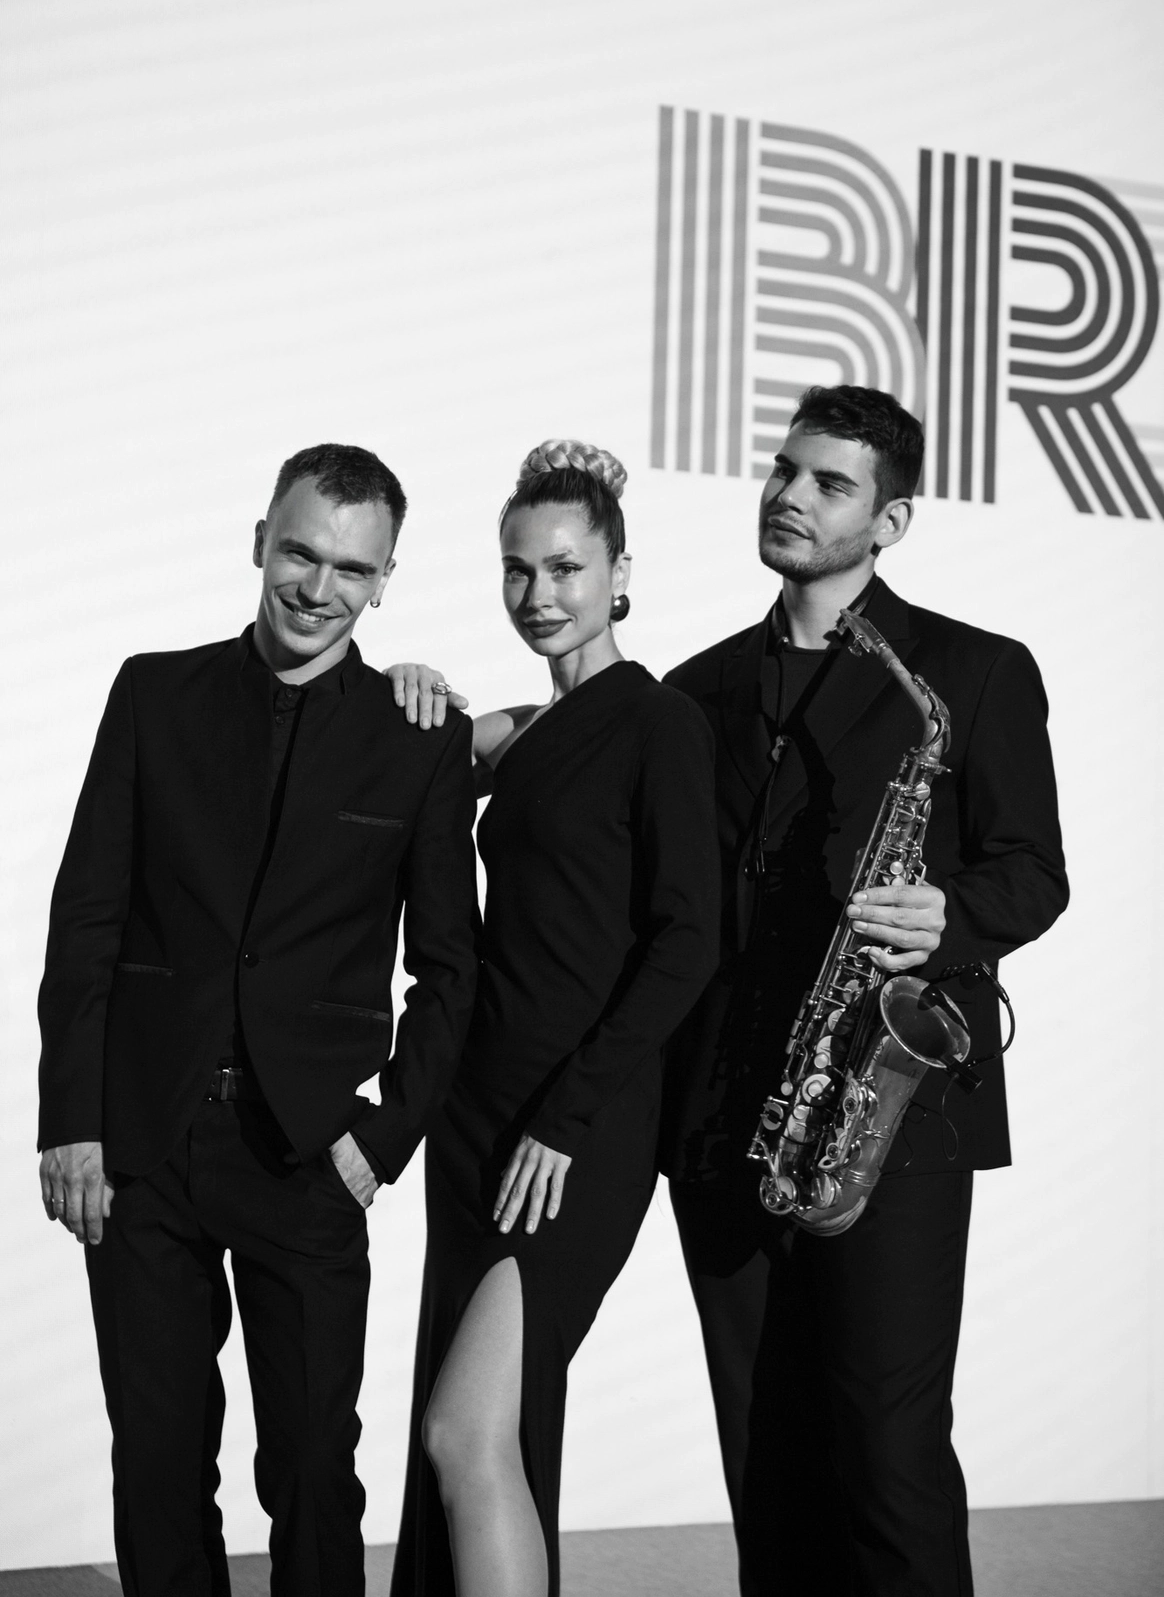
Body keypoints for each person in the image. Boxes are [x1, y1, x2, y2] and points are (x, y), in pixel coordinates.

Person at [37, 444, 479, 1597]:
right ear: (259, 543)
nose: (317, 588)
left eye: (351, 568)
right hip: (143, 1146)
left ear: (383, 582)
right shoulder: (153, 694)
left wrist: (382, 1139)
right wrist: (71, 1122)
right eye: (299, 553)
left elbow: (450, 970)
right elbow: (86, 920)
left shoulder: (418, 732)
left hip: (310, 1152)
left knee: (313, 1470)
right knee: (158, 1462)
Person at [660, 384, 1069, 1596]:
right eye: (785, 470)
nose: (791, 495)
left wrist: (953, 915)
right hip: (729, 1114)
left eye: (830, 483)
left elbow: (1033, 872)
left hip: (894, 1115)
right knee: (764, 1460)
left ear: (891, 522)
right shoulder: (697, 688)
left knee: (890, 1454)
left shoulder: (973, 673)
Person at [386, 441, 720, 1597]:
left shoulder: (662, 723)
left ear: (620, 575)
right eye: (518, 570)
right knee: (489, 1432)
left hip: (579, 1126)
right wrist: (411, 686)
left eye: (567, 568)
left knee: (465, 1433)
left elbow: (687, 942)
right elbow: (408, 753)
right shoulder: (524, 729)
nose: (540, 594)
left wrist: (568, 1119)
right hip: (477, 1116)